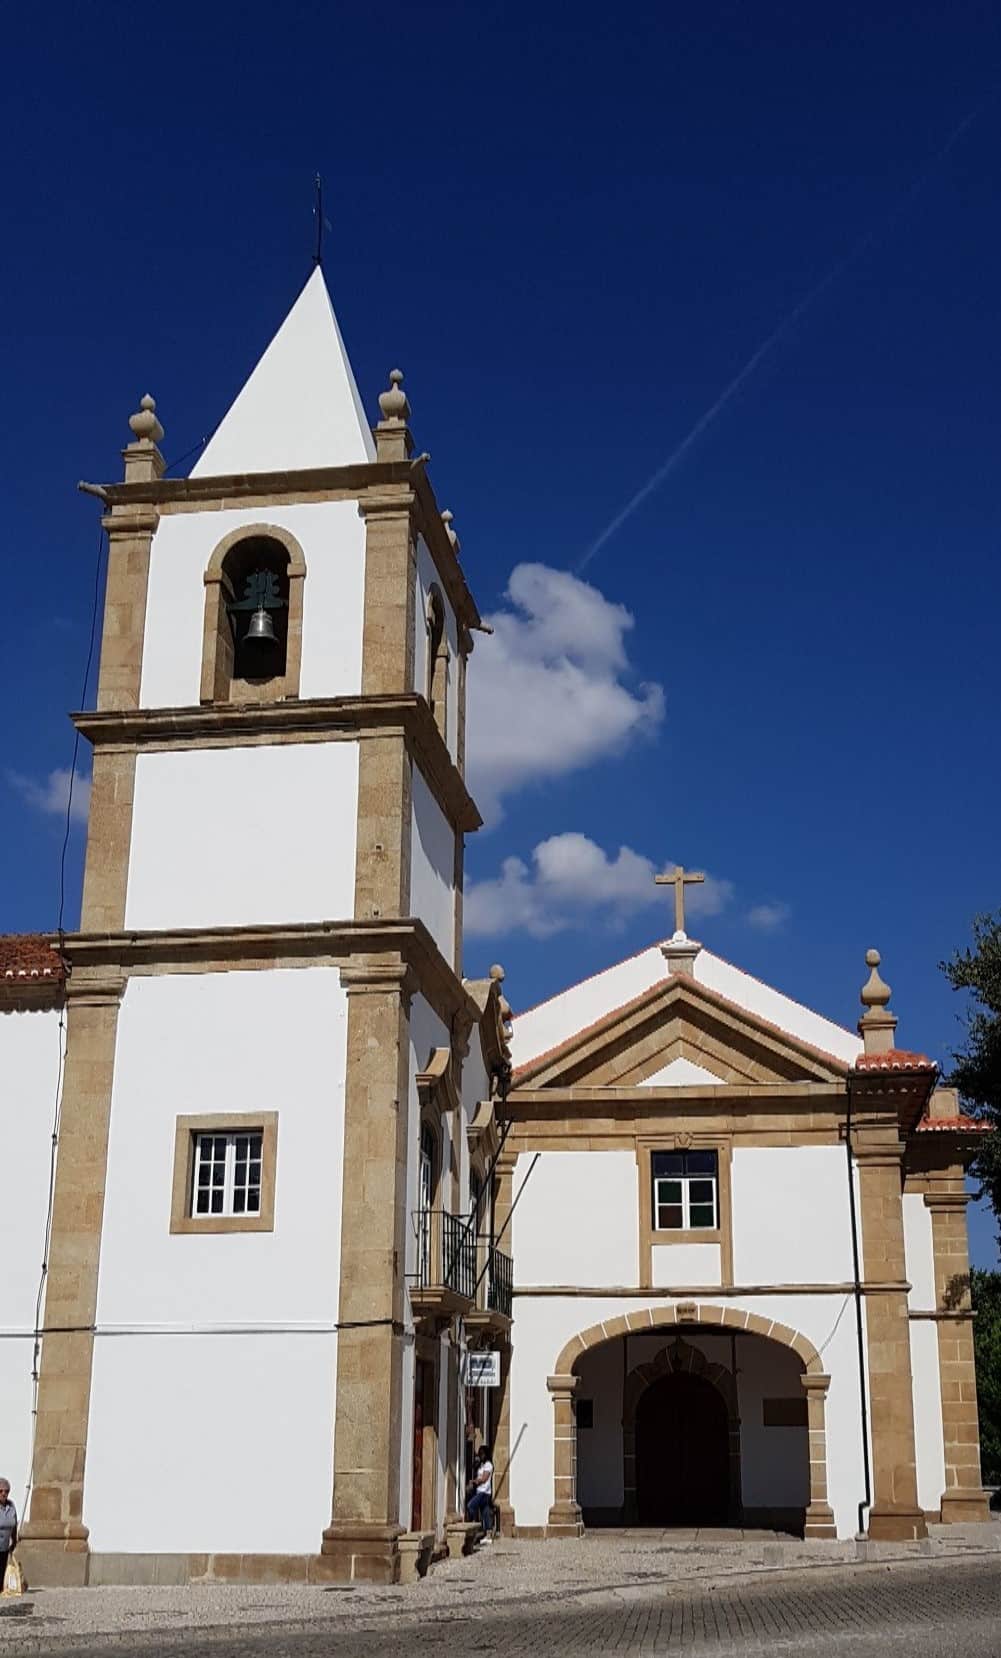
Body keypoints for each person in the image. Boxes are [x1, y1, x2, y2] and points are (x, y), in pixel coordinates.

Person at [466, 1444, 494, 1540]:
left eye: (481, 1454)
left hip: (484, 1492)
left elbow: (484, 1479)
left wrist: (473, 1482)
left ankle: (475, 1527)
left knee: (471, 1506)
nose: (480, 1456)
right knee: (485, 1512)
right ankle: (488, 1534)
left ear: (486, 1454)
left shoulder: (488, 1465)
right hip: (479, 1491)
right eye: (479, 1454)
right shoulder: (481, 1465)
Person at [0, 1480, 17, 1587]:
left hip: (4, 1548)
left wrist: (14, 1540)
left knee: (1, 1576)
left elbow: (14, 1524)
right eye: (0, 1491)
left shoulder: (11, 1506)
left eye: (6, 1491)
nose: (3, 1493)